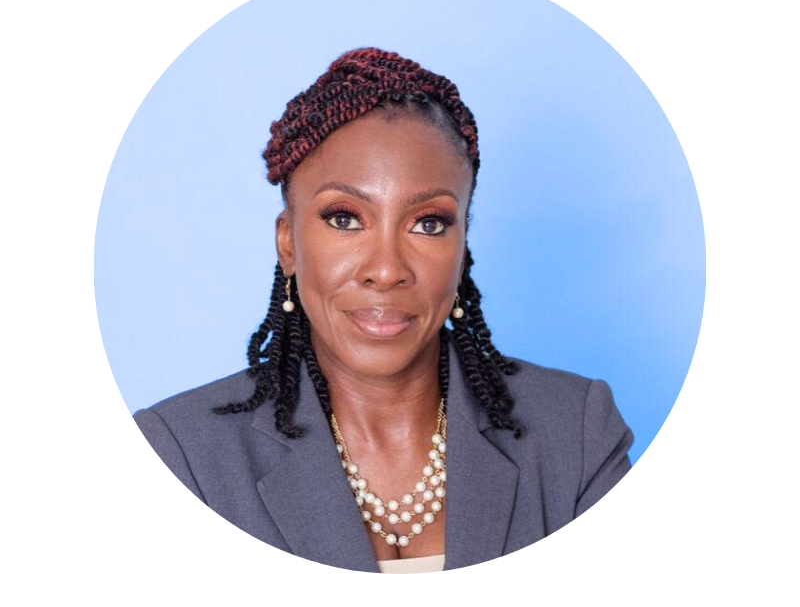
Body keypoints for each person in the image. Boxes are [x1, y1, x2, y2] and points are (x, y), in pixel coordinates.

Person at [134, 47, 633, 574]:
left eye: (428, 224)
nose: (387, 269)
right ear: (287, 243)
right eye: (345, 219)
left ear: (462, 246)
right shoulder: (178, 455)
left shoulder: (575, 431)